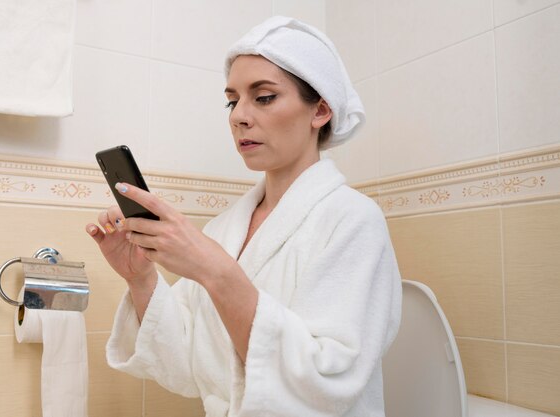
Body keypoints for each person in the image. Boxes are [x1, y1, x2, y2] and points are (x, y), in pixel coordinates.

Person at [86, 16, 401, 417]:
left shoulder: (354, 221)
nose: (239, 116)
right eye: (232, 100)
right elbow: (186, 368)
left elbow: (327, 381)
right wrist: (141, 278)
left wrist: (217, 272)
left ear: (320, 110)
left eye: (264, 97)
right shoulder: (226, 228)